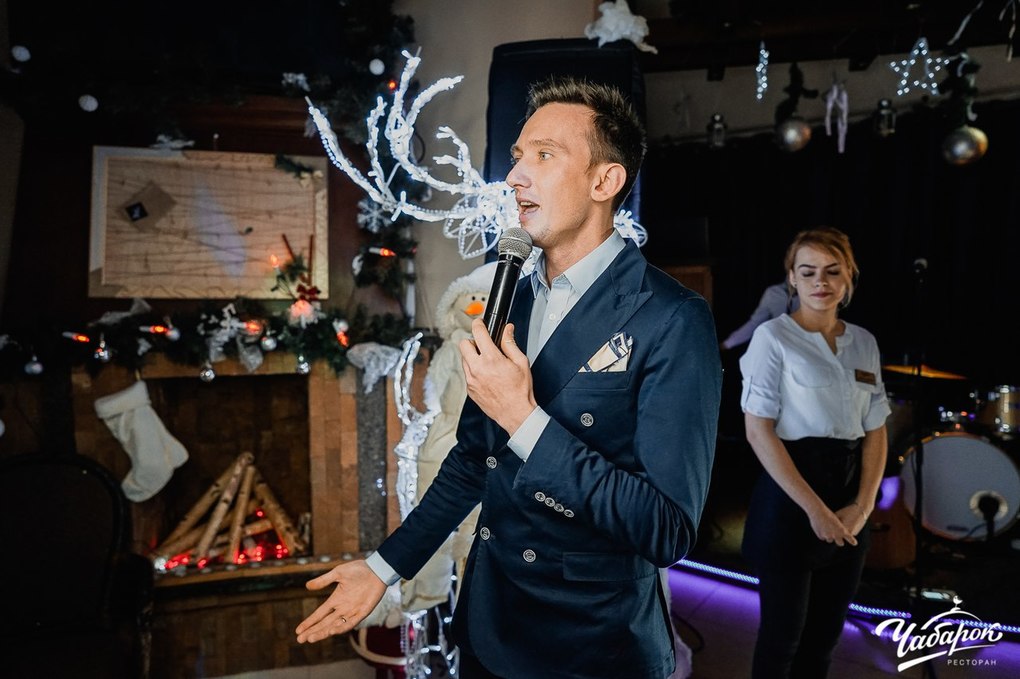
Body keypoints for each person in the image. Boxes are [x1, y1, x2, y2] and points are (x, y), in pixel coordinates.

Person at [295, 76, 722, 679]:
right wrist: (383, 569)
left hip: (593, 647)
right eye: (518, 156)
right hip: (490, 629)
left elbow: (666, 529)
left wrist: (524, 419)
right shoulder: (510, 299)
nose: (515, 176)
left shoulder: (672, 318)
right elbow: (475, 459)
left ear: (605, 182)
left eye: (544, 155)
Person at [738, 227, 890, 678]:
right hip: (791, 499)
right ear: (792, 279)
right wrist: (816, 511)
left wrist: (862, 508)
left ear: (849, 277)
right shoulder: (772, 338)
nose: (820, 282)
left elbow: (876, 430)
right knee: (781, 640)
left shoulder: (864, 342)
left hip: (849, 500)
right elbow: (758, 431)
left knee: (824, 640)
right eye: (808, 272)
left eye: (832, 271)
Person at [720, 281, 799, 352]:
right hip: (777, 350)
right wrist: (726, 344)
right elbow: (754, 324)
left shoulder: (805, 295)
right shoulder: (773, 293)